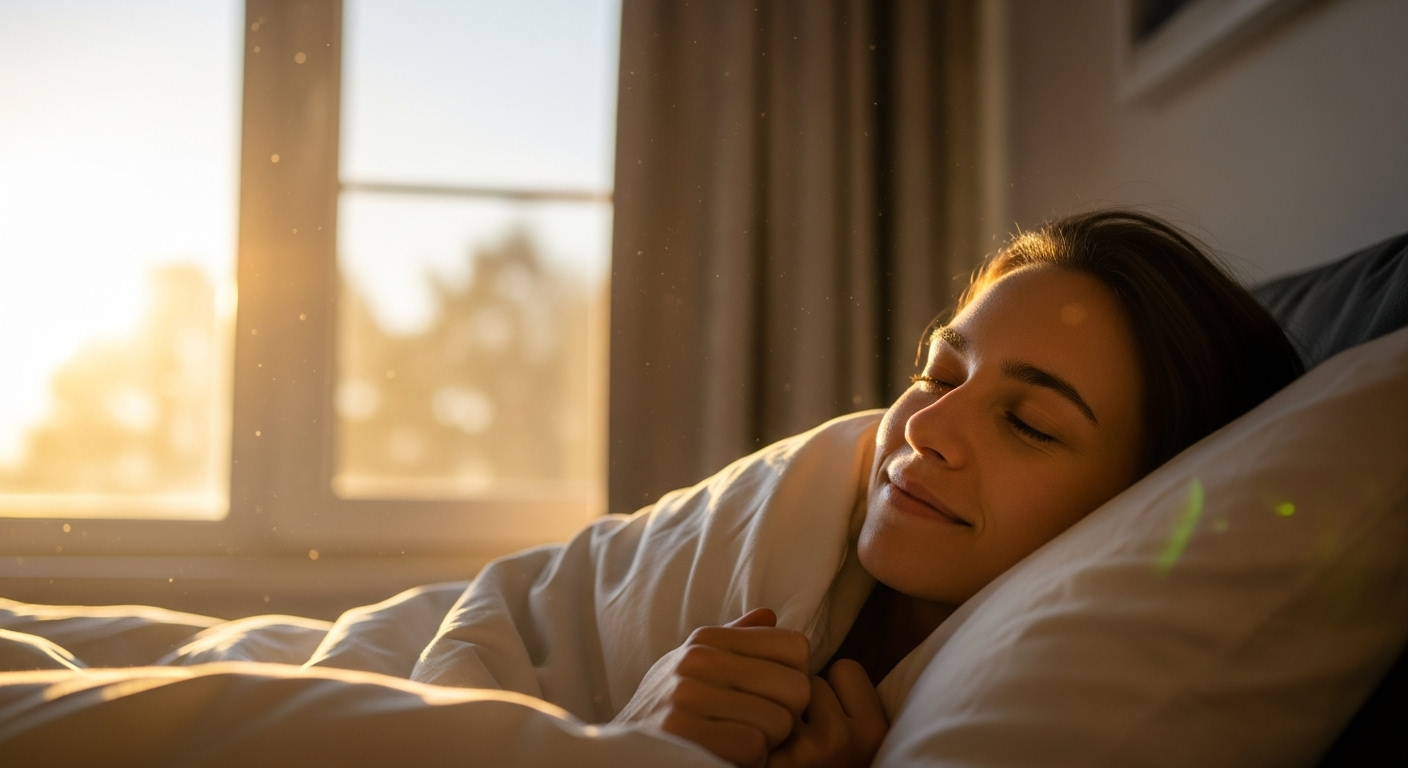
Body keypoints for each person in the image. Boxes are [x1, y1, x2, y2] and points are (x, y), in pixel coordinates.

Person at [611, 210, 1305, 768]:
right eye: (939, 376)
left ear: (1142, 506)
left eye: (1029, 425)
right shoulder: (788, 513)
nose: (924, 427)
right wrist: (635, 731)